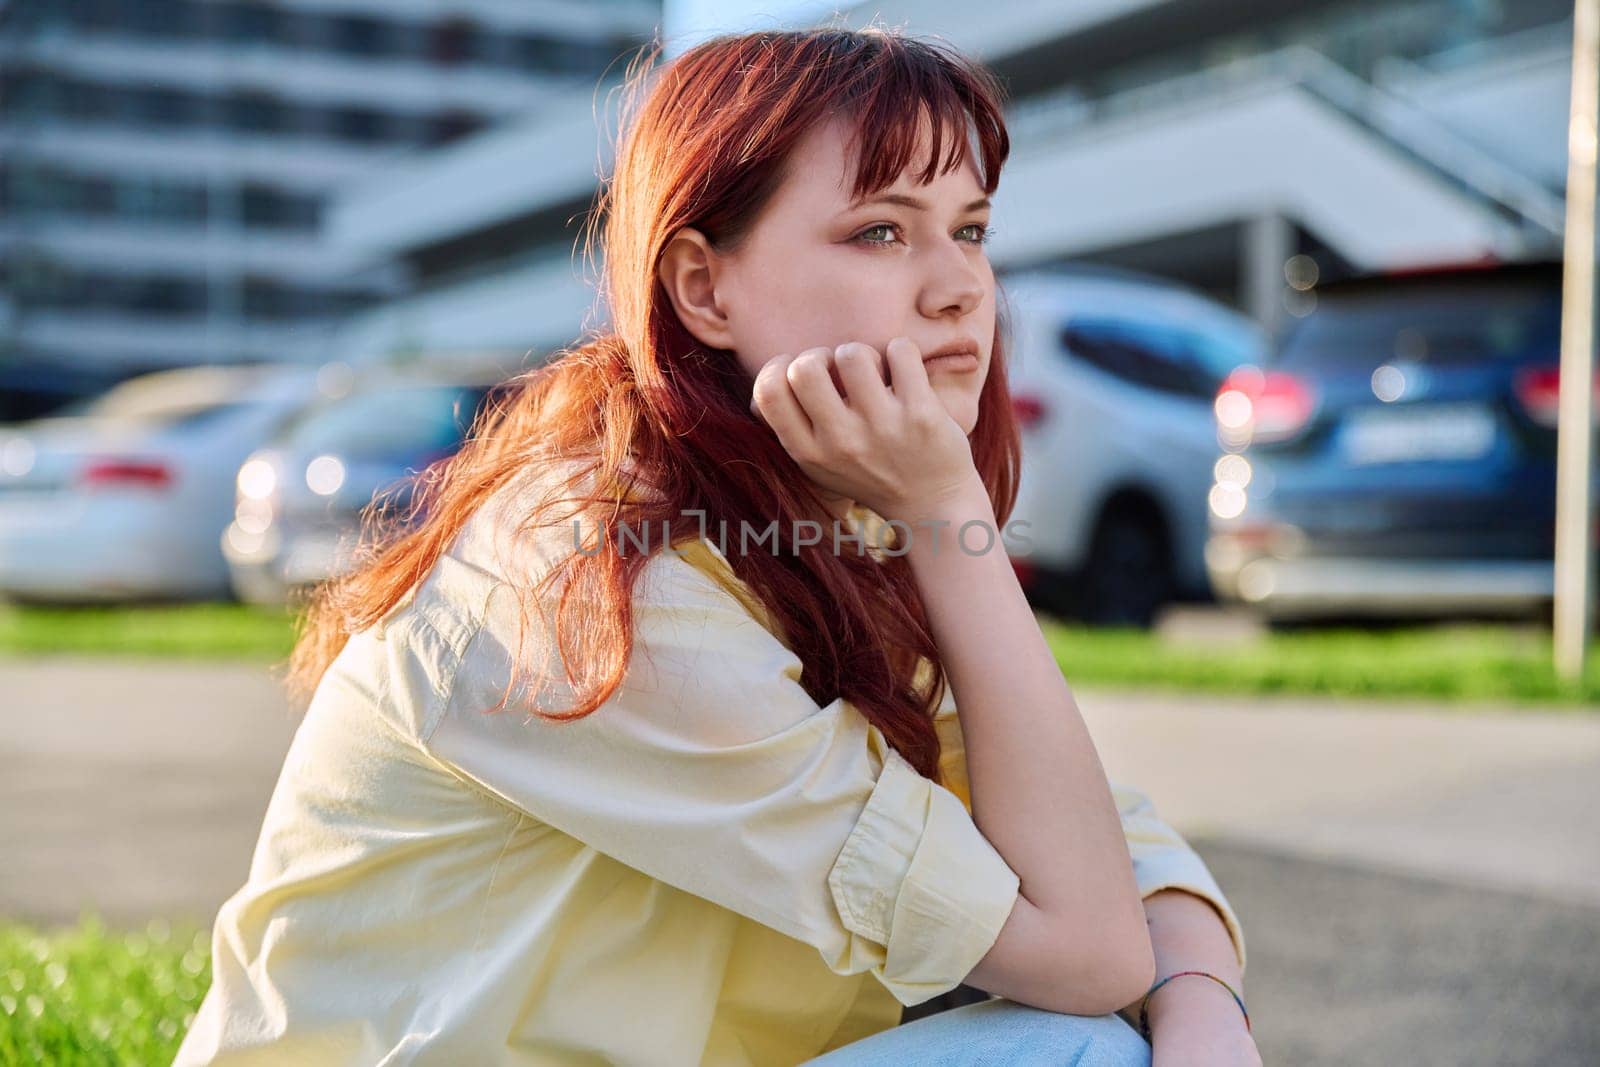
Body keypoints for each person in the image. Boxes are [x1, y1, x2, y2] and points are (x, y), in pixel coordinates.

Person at [174, 26, 1258, 1067]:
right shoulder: (599, 582)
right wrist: (948, 514)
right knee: (1078, 1051)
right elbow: (1088, 950)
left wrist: (1205, 1004)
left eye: (970, 229)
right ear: (702, 286)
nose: (960, 285)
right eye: (881, 229)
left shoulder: (814, 536)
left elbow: (1096, 837)